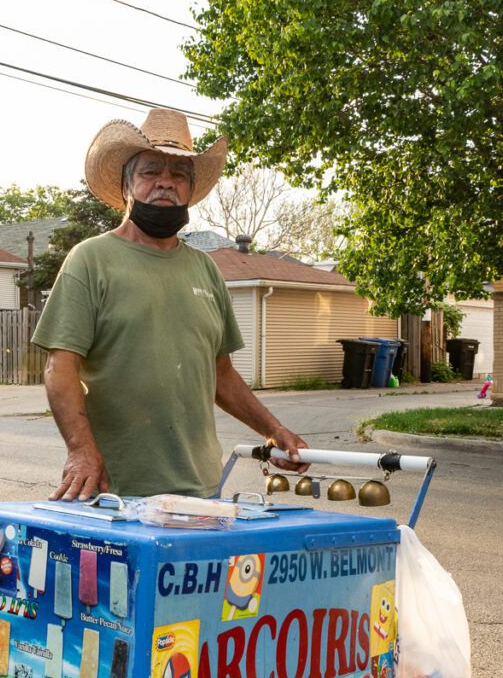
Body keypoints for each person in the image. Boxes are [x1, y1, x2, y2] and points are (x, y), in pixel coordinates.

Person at [32, 108, 308, 501]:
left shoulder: (205, 270)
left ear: (191, 190)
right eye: (150, 172)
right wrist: (80, 451)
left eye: (179, 174)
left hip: (201, 488)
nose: (165, 183)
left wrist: (273, 430)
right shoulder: (90, 260)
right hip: (114, 490)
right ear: (127, 186)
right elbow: (60, 367)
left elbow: (221, 374)